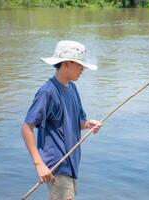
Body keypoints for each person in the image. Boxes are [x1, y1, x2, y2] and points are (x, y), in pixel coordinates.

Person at [21, 40, 102, 200]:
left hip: (71, 163)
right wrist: (40, 165)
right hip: (57, 164)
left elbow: (76, 122)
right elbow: (26, 127)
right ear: (66, 63)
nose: (83, 69)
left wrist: (88, 124)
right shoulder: (47, 92)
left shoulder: (72, 88)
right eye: (79, 65)